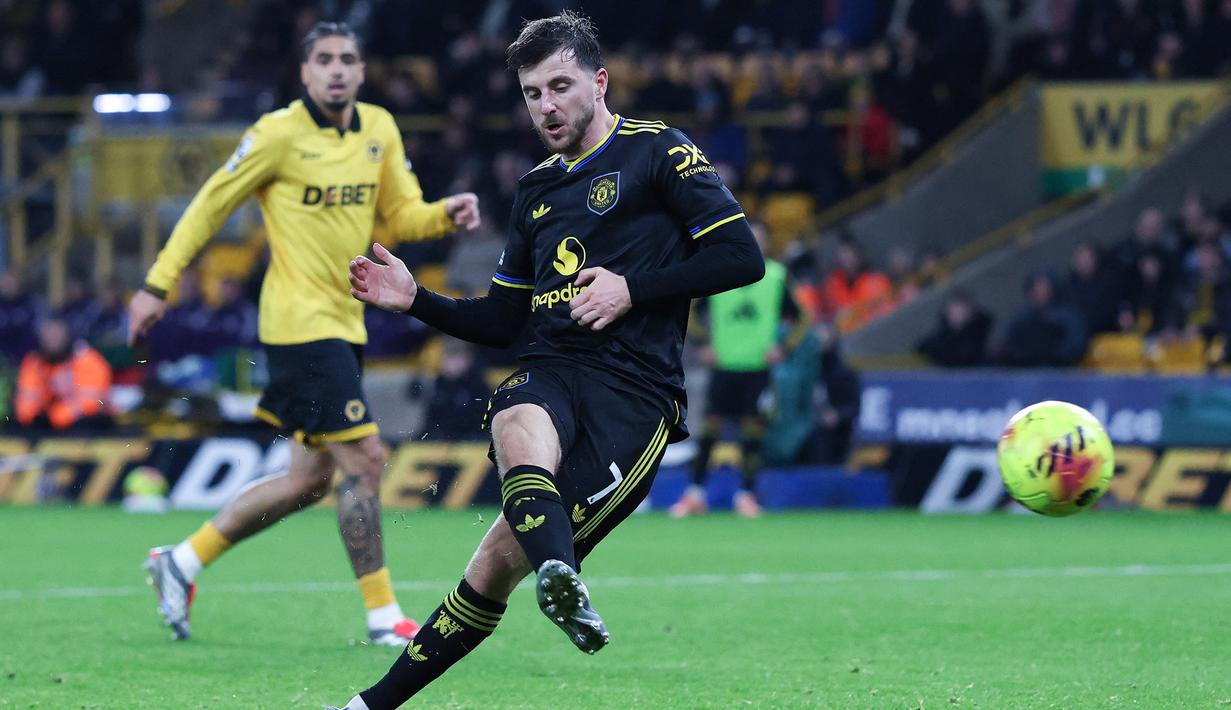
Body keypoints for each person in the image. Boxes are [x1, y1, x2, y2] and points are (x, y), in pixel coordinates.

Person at [331, 12, 763, 709]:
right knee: (514, 414)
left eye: (559, 86)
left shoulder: (659, 152)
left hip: (637, 396)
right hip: (553, 366)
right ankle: (554, 578)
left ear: (598, 81)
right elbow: (503, 321)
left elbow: (742, 256)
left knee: (493, 565)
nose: (547, 106)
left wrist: (633, 288)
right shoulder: (536, 190)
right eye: (533, 93)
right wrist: (416, 299)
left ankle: (549, 574)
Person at [128, 22, 482, 646]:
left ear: (363, 71)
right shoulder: (278, 134)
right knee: (367, 458)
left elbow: (402, 215)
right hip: (296, 323)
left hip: (346, 324)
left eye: (348, 59)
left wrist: (443, 214)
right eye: (325, 60)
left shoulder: (379, 128)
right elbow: (212, 202)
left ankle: (180, 562)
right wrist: (158, 284)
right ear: (305, 72)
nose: (338, 69)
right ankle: (381, 617)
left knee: (308, 479)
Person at [670, 221, 805, 518]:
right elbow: (691, 309)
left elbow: (801, 318)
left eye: (758, 239)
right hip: (724, 365)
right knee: (709, 431)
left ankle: (746, 495)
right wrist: (702, 343)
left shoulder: (777, 276)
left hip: (758, 368)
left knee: (753, 433)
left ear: (766, 244)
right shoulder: (722, 270)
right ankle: (695, 494)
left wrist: (783, 349)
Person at [15, 318, 113, 431]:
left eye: (57, 338)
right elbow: (26, 403)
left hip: (88, 427)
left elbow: (89, 403)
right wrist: (33, 417)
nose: (52, 343)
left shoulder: (88, 360)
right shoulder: (34, 363)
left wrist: (54, 417)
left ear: (68, 338)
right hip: (48, 427)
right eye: (48, 339)